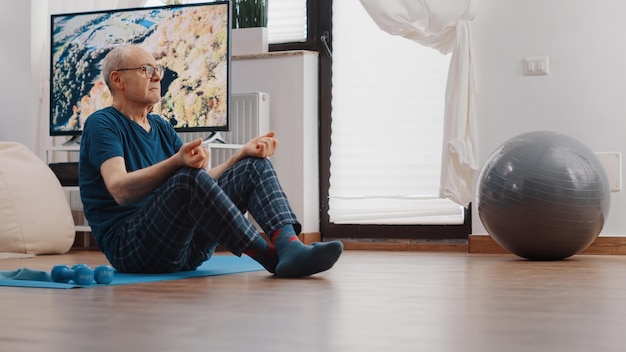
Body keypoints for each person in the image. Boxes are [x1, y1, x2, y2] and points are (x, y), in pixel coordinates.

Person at [78, 45, 343, 277]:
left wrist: (240, 156)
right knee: (184, 178)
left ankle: (289, 246)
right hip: (133, 250)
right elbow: (120, 190)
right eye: (146, 69)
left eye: (157, 68)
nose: (158, 75)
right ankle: (269, 257)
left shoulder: (160, 126)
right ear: (118, 79)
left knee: (253, 166)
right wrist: (177, 163)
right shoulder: (102, 124)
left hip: (186, 249)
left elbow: (200, 187)